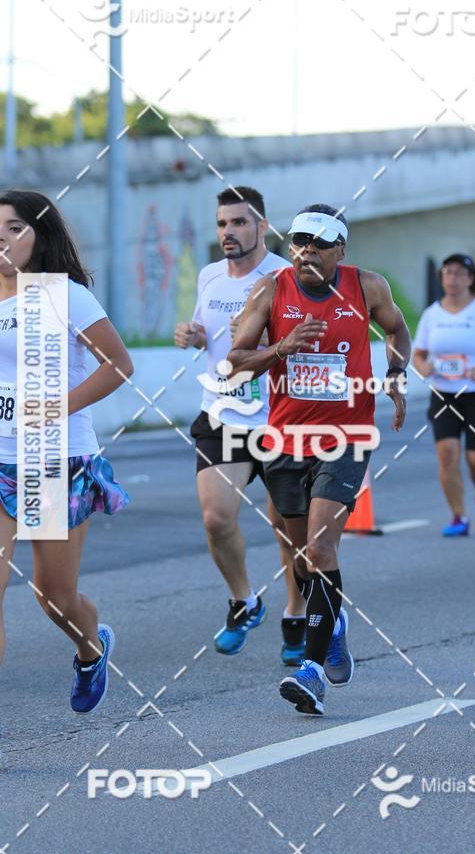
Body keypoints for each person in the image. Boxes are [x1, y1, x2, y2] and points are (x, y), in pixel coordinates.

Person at [229, 203, 410, 715]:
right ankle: (331, 623)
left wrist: (395, 375)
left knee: (321, 545)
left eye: (318, 242)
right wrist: (281, 347)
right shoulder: (271, 290)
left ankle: (309, 672)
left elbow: (397, 331)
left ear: (340, 250)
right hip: (285, 441)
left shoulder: (367, 287)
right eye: (299, 241)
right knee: (302, 557)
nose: (306, 249)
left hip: (346, 436)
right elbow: (236, 362)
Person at [0, 189, 132, 715]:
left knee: (54, 597)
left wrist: (55, 407)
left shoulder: (62, 296)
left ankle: (90, 645)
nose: (3, 240)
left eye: (14, 228)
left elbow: (118, 364)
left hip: (49, 459)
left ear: (40, 234)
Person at [174, 187, 306, 663]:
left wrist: (266, 337)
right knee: (215, 518)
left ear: (262, 227)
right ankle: (244, 600)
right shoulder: (210, 275)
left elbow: (306, 341)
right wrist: (193, 335)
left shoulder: (285, 277)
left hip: (281, 417)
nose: (228, 232)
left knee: (288, 527)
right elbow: (205, 331)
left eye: (239, 223)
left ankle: (295, 612)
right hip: (223, 410)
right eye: (222, 224)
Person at [413, 254, 475, 536]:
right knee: (447, 454)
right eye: (447, 273)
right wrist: (424, 368)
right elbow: (418, 353)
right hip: (444, 393)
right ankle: (458, 517)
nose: (452, 279)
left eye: (458, 273)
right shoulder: (433, 314)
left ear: (469, 278)